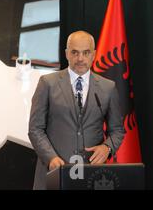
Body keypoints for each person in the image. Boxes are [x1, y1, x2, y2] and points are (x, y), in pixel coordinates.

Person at [28, 31, 126, 190]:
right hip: (53, 173)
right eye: (75, 52)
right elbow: (35, 128)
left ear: (93, 54)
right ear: (67, 54)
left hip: (91, 176)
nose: (80, 58)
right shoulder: (47, 83)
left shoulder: (108, 87)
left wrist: (107, 147)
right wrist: (51, 157)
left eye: (86, 52)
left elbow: (117, 130)